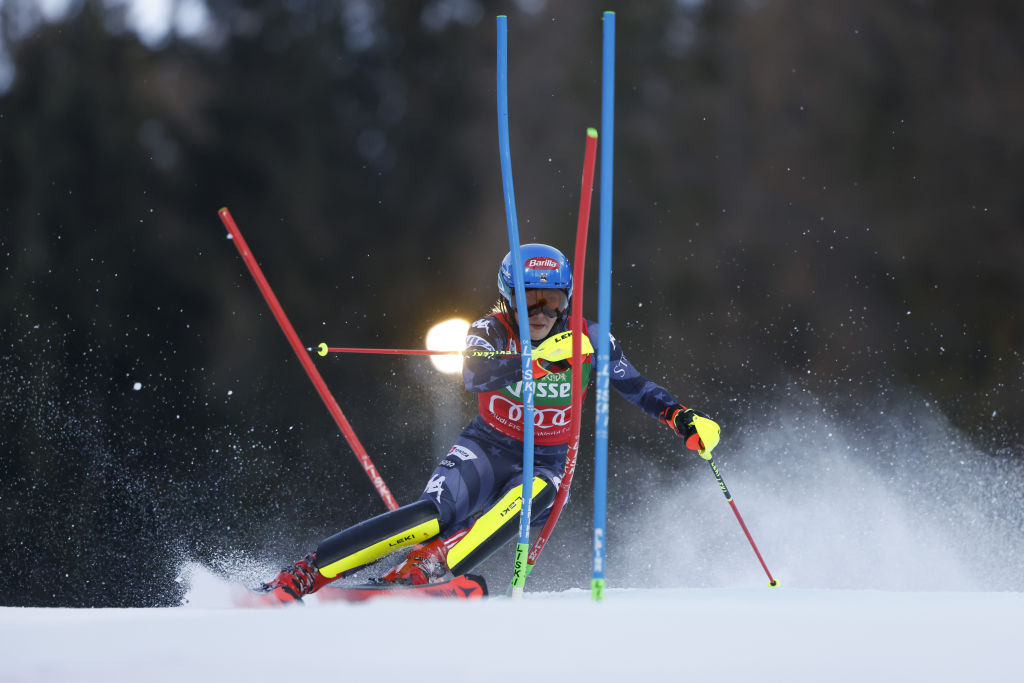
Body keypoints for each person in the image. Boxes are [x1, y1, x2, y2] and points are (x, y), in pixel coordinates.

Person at [261, 243, 721, 602]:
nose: (540, 315)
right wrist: (538, 364)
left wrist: (683, 419)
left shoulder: (590, 338)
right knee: (430, 518)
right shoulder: (489, 330)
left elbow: (635, 386)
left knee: (523, 508)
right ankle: (305, 573)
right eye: (529, 302)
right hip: (485, 448)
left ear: (568, 300)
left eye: (553, 302)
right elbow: (474, 374)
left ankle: (426, 571)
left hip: (544, 464)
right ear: (506, 300)